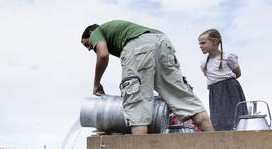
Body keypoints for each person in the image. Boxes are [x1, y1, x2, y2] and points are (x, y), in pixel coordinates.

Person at [81, 20, 213, 135]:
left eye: (87, 44)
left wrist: (96, 83)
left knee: (137, 106)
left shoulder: (97, 31)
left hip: (138, 47)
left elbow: (103, 54)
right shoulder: (121, 30)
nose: (89, 48)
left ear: (91, 32)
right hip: (162, 41)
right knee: (184, 99)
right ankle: (217, 147)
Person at [198, 29, 246, 131]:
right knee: (218, 119)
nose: (200, 46)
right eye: (199, 44)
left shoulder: (228, 58)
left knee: (234, 117)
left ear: (214, 41)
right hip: (215, 92)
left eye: (203, 43)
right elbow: (210, 78)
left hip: (230, 90)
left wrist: (226, 84)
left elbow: (238, 73)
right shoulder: (204, 64)